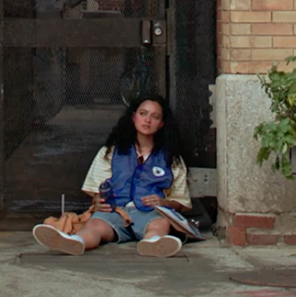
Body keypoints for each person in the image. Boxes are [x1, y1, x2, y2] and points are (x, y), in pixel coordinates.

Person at [32, 95, 195, 258]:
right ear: (134, 117)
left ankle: (152, 243)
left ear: (162, 123)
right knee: (94, 226)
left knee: (161, 224)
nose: (147, 120)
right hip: (115, 212)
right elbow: (96, 190)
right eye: (143, 114)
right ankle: (75, 242)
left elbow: (180, 201)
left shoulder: (171, 159)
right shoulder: (111, 151)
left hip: (150, 214)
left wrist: (164, 202)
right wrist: (98, 201)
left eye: (155, 117)